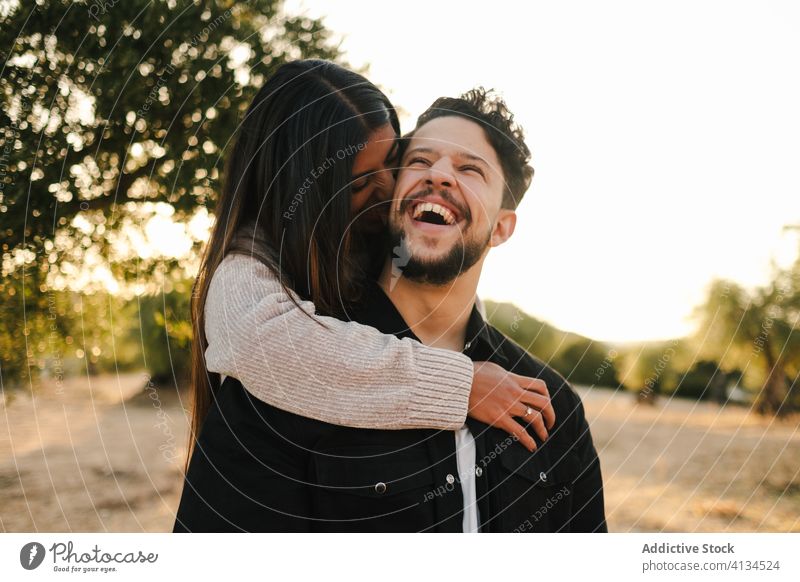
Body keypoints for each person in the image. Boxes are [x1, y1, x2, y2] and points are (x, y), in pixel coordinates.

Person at [174, 87, 606, 533]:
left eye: (469, 168)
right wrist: (459, 386)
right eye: (419, 161)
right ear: (388, 197)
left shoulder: (553, 406)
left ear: (501, 227)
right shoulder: (287, 374)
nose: (439, 175)